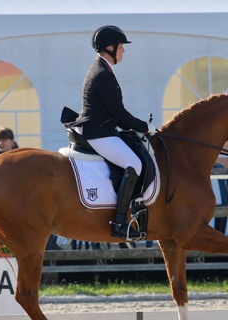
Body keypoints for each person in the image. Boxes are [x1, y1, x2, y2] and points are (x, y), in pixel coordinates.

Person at [73, 25, 157, 239]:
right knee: (135, 163)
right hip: (99, 133)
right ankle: (119, 222)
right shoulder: (102, 74)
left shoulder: (103, 69)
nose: (123, 51)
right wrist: (145, 128)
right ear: (109, 47)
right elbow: (120, 114)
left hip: (104, 129)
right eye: (121, 46)